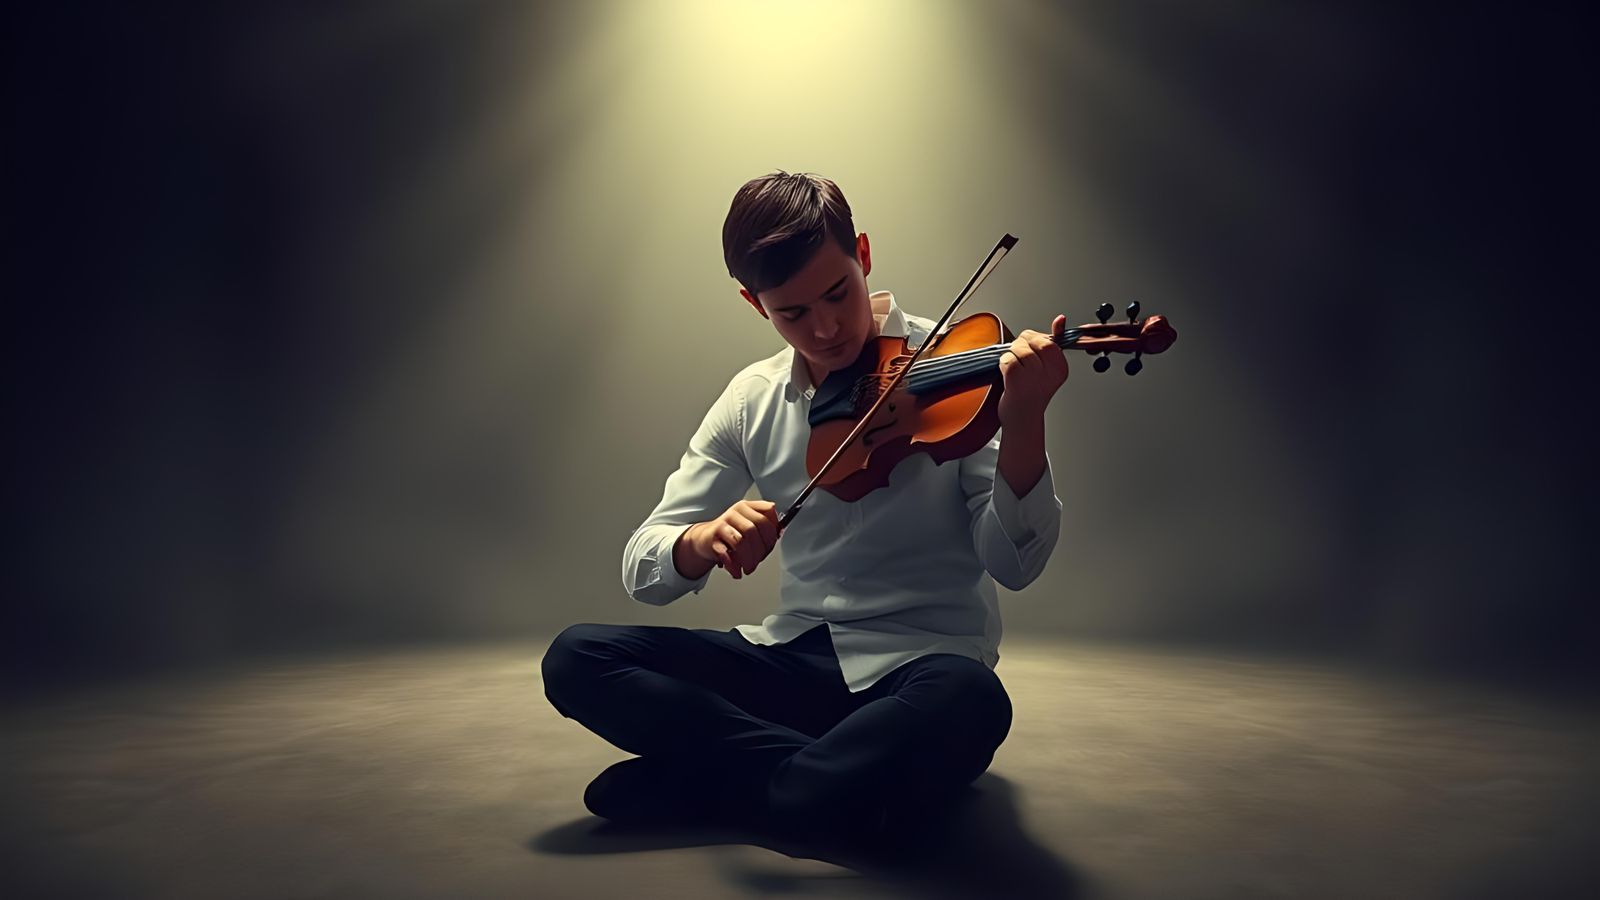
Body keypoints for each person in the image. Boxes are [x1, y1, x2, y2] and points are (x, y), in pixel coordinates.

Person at [541, 171, 1067, 848]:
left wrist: (1024, 423)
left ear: (864, 255)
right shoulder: (750, 398)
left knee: (973, 701)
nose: (824, 328)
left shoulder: (959, 367)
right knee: (577, 657)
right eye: (792, 313)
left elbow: (1013, 564)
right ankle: (811, 787)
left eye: (837, 293)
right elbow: (644, 564)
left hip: (917, 673)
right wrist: (701, 540)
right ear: (754, 304)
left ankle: (722, 783)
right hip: (789, 662)